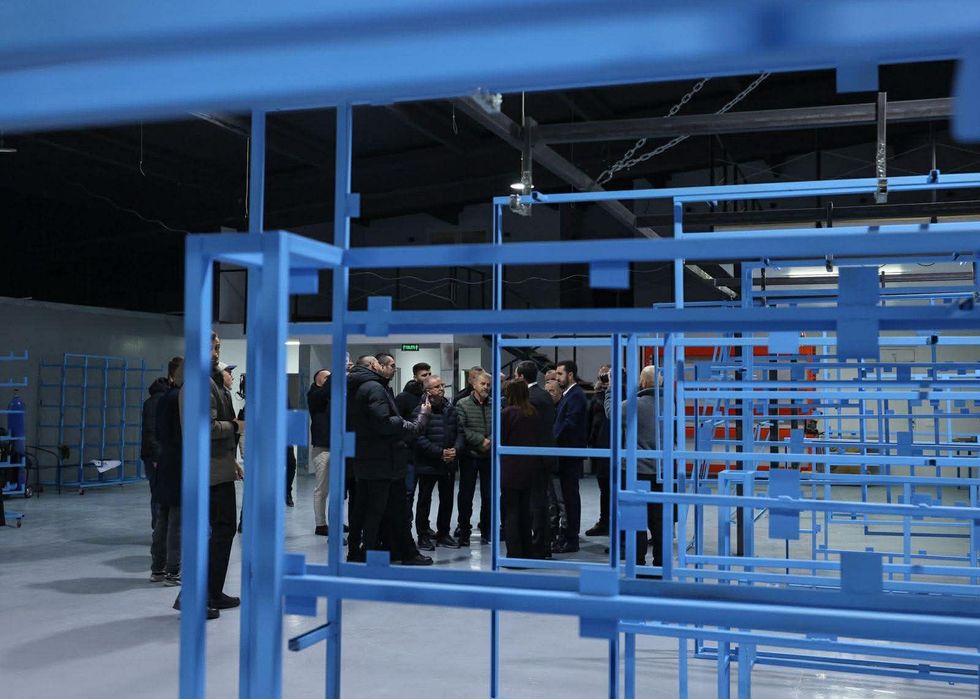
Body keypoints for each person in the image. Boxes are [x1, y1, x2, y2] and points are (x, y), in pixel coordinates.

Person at [346, 353, 433, 565]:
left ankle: (364, 553)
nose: (390, 368)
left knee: (366, 509)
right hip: (383, 459)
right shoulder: (374, 387)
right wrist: (417, 421)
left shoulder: (357, 386)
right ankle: (374, 555)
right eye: (384, 364)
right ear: (373, 365)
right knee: (382, 511)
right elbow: (383, 422)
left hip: (368, 458)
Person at [605, 365, 664, 572]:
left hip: (636, 471)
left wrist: (611, 387)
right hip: (662, 472)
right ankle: (660, 566)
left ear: (643, 382)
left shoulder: (635, 405)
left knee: (636, 521)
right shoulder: (671, 404)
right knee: (659, 522)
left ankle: (638, 566)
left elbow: (611, 412)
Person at [410, 374, 462, 550]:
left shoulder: (450, 409)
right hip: (428, 464)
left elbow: (460, 432)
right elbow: (418, 438)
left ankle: (443, 534)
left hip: (448, 463)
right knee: (424, 500)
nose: (441, 389)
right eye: (437, 386)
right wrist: (440, 453)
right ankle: (423, 535)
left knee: (447, 500)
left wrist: (455, 450)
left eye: (442, 385)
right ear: (427, 391)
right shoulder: (420, 411)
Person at [513, 360, 556, 558]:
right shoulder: (544, 394)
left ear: (521, 376)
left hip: (534, 457)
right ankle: (542, 543)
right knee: (541, 501)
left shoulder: (530, 398)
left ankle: (540, 545)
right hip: (544, 455)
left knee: (536, 503)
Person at [500, 380, 546, 559]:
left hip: (511, 468)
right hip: (530, 467)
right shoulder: (533, 412)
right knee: (525, 511)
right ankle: (527, 549)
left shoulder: (507, 413)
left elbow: (502, 439)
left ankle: (514, 553)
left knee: (511, 511)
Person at [150, 356, 183, 587]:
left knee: (164, 516)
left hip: (165, 461)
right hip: (178, 462)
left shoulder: (162, 398)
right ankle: (173, 570)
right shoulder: (179, 399)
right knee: (176, 520)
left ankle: (158, 568)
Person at [553, 360, 588, 553]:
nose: (557, 377)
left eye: (560, 374)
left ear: (570, 374)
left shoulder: (575, 396)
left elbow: (569, 424)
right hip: (565, 455)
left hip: (569, 455)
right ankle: (568, 536)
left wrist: (552, 439)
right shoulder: (570, 395)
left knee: (570, 498)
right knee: (567, 498)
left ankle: (571, 539)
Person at [142, 357, 182, 531]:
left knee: (162, 497)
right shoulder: (160, 400)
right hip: (157, 456)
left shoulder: (167, 397)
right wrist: (158, 457)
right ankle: (158, 534)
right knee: (160, 498)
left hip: (161, 455)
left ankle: (161, 534)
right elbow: (152, 431)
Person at [455, 370, 492, 546]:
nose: (486, 387)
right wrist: (480, 440)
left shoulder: (495, 404)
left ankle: (487, 530)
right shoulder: (462, 404)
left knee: (488, 496)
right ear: (474, 384)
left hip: (489, 456)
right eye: (483, 384)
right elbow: (461, 428)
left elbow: (500, 425)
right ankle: (464, 531)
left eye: (488, 385)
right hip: (470, 456)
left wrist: (490, 440)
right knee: (466, 496)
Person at [396, 362, 433, 529]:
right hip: (409, 452)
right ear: (415, 377)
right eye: (424, 375)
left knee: (426, 495)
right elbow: (399, 424)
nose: (427, 377)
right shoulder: (404, 397)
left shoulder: (430, 397)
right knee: (408, 492)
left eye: (429, 374)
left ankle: (423, 528)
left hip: (426, 452)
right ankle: (405, 528)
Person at [586, 365, 612, 537]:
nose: (603, 378)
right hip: (599, 447)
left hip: (614, 448)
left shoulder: (620, 394)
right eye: (601, 375)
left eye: (606, 375)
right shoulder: (597, 396)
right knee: (604, 488)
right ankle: (604, 522)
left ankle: (614, 524)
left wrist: (611, 387)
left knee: (614, 488)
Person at [308, 367, 333, 534]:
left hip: (335, 446)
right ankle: (320, 524)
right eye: (327, 378)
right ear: (318, 380)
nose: (330, 381)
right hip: (322, 448)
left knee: (336, 489)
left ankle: (334, 520)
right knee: (322, 489)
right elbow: (325, 392)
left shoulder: (330, 396)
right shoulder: (314, 395)